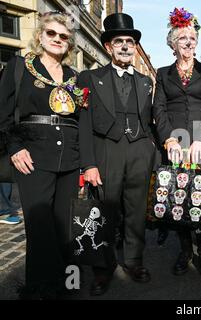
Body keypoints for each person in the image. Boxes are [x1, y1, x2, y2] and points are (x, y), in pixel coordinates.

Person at [0, 11, 85, 299]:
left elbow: (82, 120)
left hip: (70, 159)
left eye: (63, 36)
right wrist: (14, 147)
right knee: (40, 226)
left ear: (69, 43)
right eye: (51, 33)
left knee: (65, 226)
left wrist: (87, 162)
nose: (57, 39)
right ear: (40, 35)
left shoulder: (75, 77)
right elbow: (2, 114)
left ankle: (67, 284)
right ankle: (40, 289)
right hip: (32, 155)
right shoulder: (18, 67)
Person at [78, 13, 155, 295]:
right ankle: (102, 267)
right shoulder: (89, 77)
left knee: (135, 213)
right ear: (108, 47)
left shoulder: (146, 82)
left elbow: (149, 122)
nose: (125, 46)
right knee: (104, 211)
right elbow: (83, 125)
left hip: (138, 151)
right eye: (119, 41)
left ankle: (134, 261)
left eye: (130, 41)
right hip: (106, 150)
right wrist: (88, 164)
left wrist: (151, 153)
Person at [153, 8, 201, 279]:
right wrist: (169, 138)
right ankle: (185, 251)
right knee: (177, 199)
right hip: (174, 143)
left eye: (192, 38)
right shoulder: (163, 73)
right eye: (182, 38)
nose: (189, 42)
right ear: (173, 43)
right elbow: (159, 109)